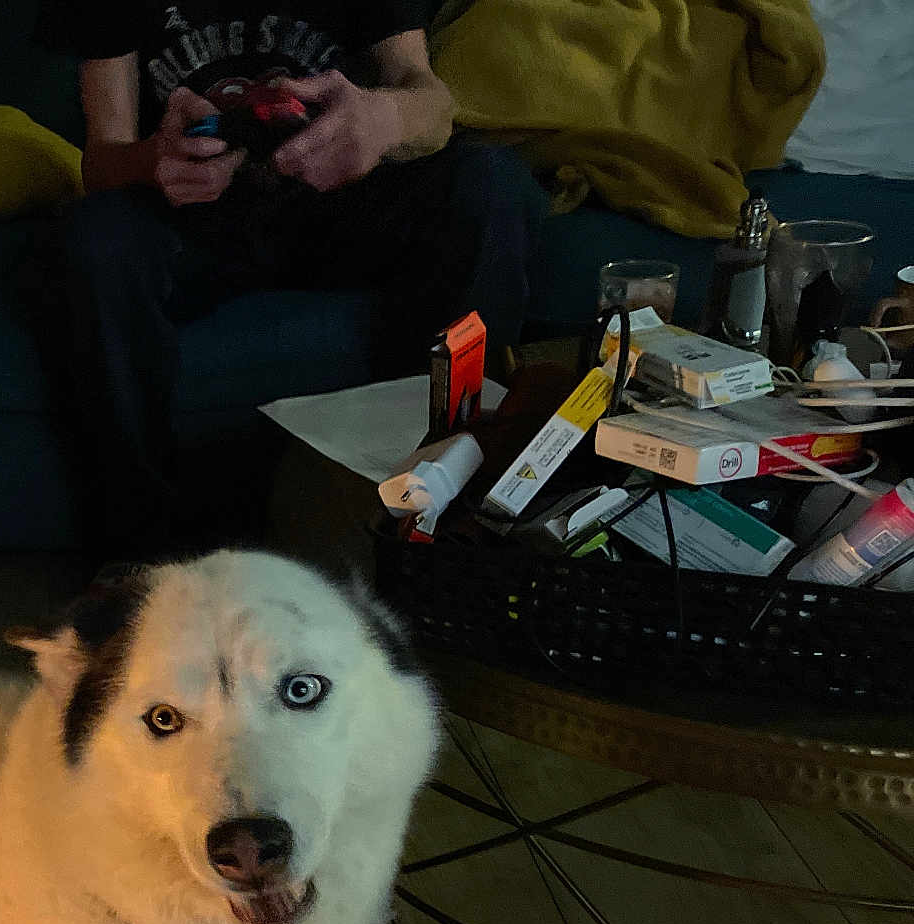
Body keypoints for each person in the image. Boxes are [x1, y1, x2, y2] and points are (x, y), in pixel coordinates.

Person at [33, 1, 542, 562]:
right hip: (190, 221)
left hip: (345, 204)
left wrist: (380, 119)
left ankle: (452, 511)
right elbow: (101, 162)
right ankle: (140, 555)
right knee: (91, 237)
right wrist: (153, 160)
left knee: (490, 183)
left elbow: (432, 107)